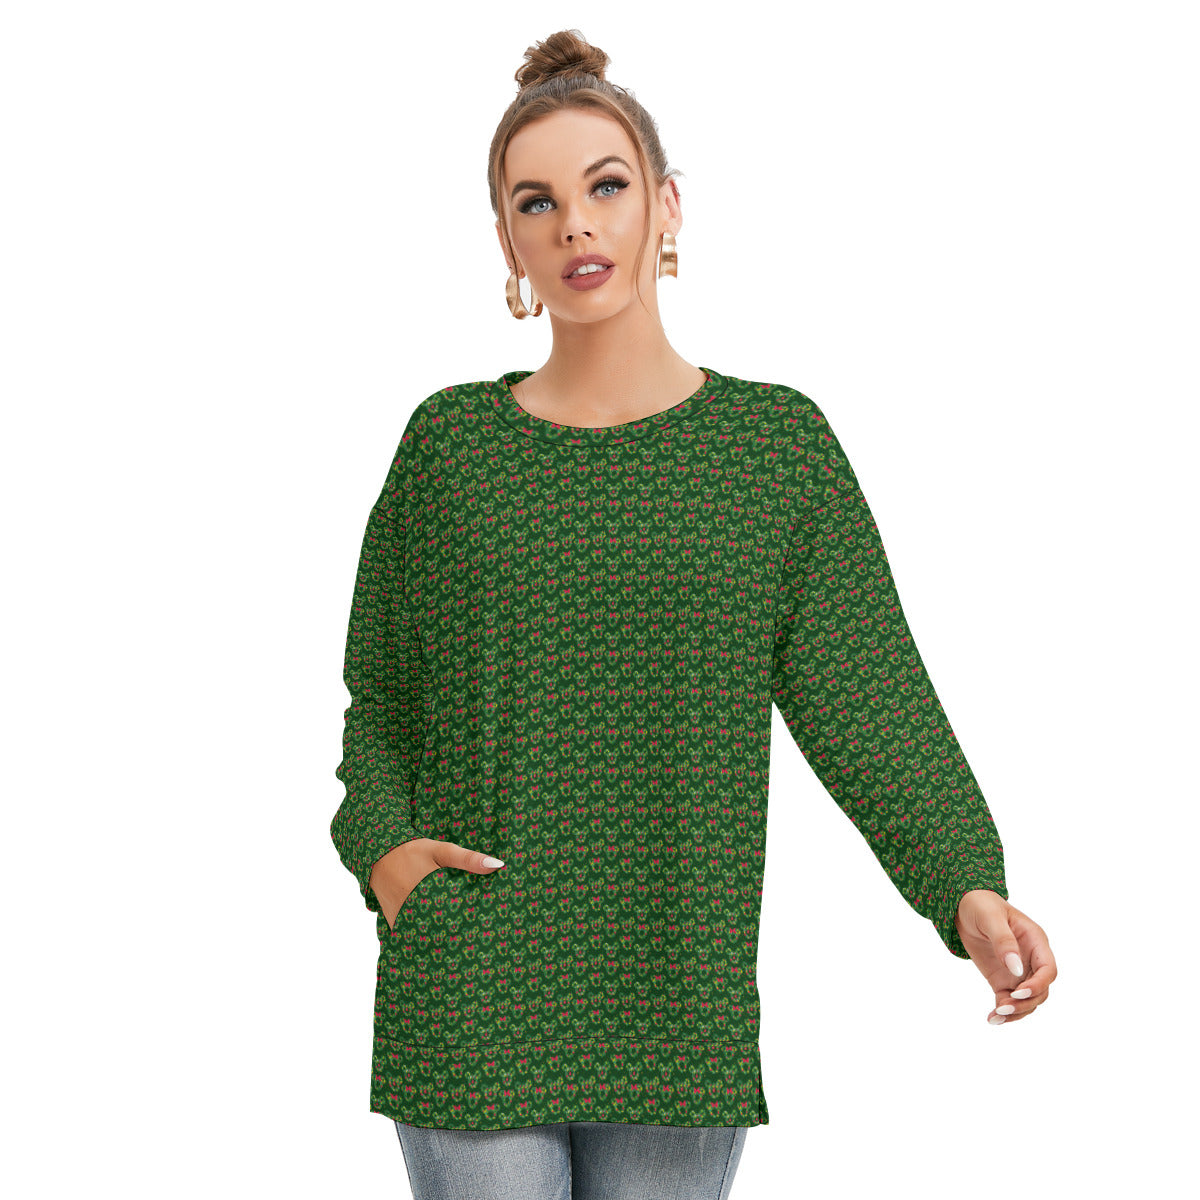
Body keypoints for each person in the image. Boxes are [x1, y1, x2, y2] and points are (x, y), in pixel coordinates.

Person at [330, 28, 1057, 1200]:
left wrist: (963, 883)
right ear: (507, 240)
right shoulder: (450, 446)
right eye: (537, 203)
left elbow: (867, 694)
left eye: (606, 188)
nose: (576, 226)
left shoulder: (773, 450)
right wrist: (384, 856)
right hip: (473, 982)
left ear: (666, 207)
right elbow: (382, 698)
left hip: (675, 999)